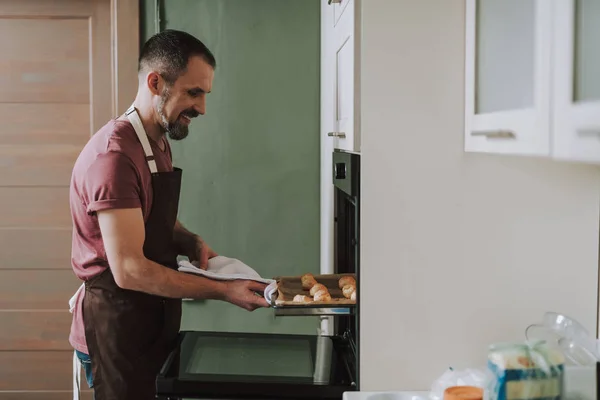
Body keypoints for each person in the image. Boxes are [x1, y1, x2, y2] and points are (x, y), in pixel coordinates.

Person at [68, 29, 269, 400]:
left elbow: (146, 216)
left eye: (205, 94)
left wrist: (186, 238)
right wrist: (224, 291)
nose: (202, 108)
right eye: (194, 92)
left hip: (150, 320)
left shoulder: (157, 140)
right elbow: (129, 269)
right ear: (156, 82)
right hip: (115, 329)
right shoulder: (114, 158)